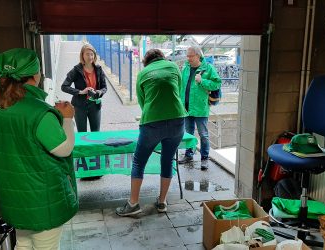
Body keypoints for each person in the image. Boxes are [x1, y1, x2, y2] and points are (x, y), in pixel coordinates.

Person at [0, 48, 78, 249]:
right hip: (42, 201)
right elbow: (64, 149)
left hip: (14, 200)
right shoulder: (39, 112)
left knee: (23, 244)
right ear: (35, 75)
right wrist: (67, 119)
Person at [116, 49, 187, 216]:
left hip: (152, 123)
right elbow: (179, 91)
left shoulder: (143, 73)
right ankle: (162, 202)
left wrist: (153, 114)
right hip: (177, 119)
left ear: (146, 62)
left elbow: (143, 101)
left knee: (139, 163)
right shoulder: (173, 66)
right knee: (168, 160)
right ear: (162, 58)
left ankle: (133, 204)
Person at [178, 46, 221, 170]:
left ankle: (204, 158)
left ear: (198, 55)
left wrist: (202, 81)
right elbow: (181, 86)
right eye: (187, 56)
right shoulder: (186, 68)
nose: (188, 58)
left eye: (190, 56)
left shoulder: (208, 68)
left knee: (203, 135)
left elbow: (217, 84)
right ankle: (188, 155)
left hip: (200, 108)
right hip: (186, 108)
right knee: (188, 133)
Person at [61, 43, 107, 132]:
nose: (90, 57)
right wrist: (81, 92)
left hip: (95, 105)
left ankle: (95, 146)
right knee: (82, 132)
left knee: (96, 132)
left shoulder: (99, 69)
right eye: (87, 54)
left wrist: (99, 92)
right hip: (79, 106)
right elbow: (64, 86)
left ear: (94, 55)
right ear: (82, 55)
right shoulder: (76, 70)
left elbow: (104, 87)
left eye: (91, 54)